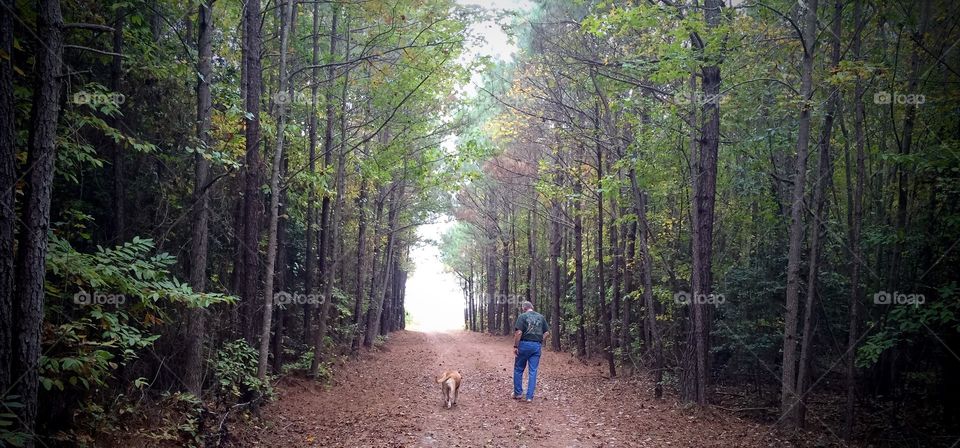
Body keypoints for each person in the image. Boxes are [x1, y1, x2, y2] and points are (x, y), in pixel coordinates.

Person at [512, 300, 549, 402]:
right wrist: (540, 341)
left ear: (524, 308)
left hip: (524, 345)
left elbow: (519, 332)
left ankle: (518, 393)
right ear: (532, 307)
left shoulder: (522, 317)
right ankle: (529, 397)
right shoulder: (541, 317)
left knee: (518, 369)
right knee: (533, 371)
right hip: (536, 346)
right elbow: (547, 333)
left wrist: (516, 346)